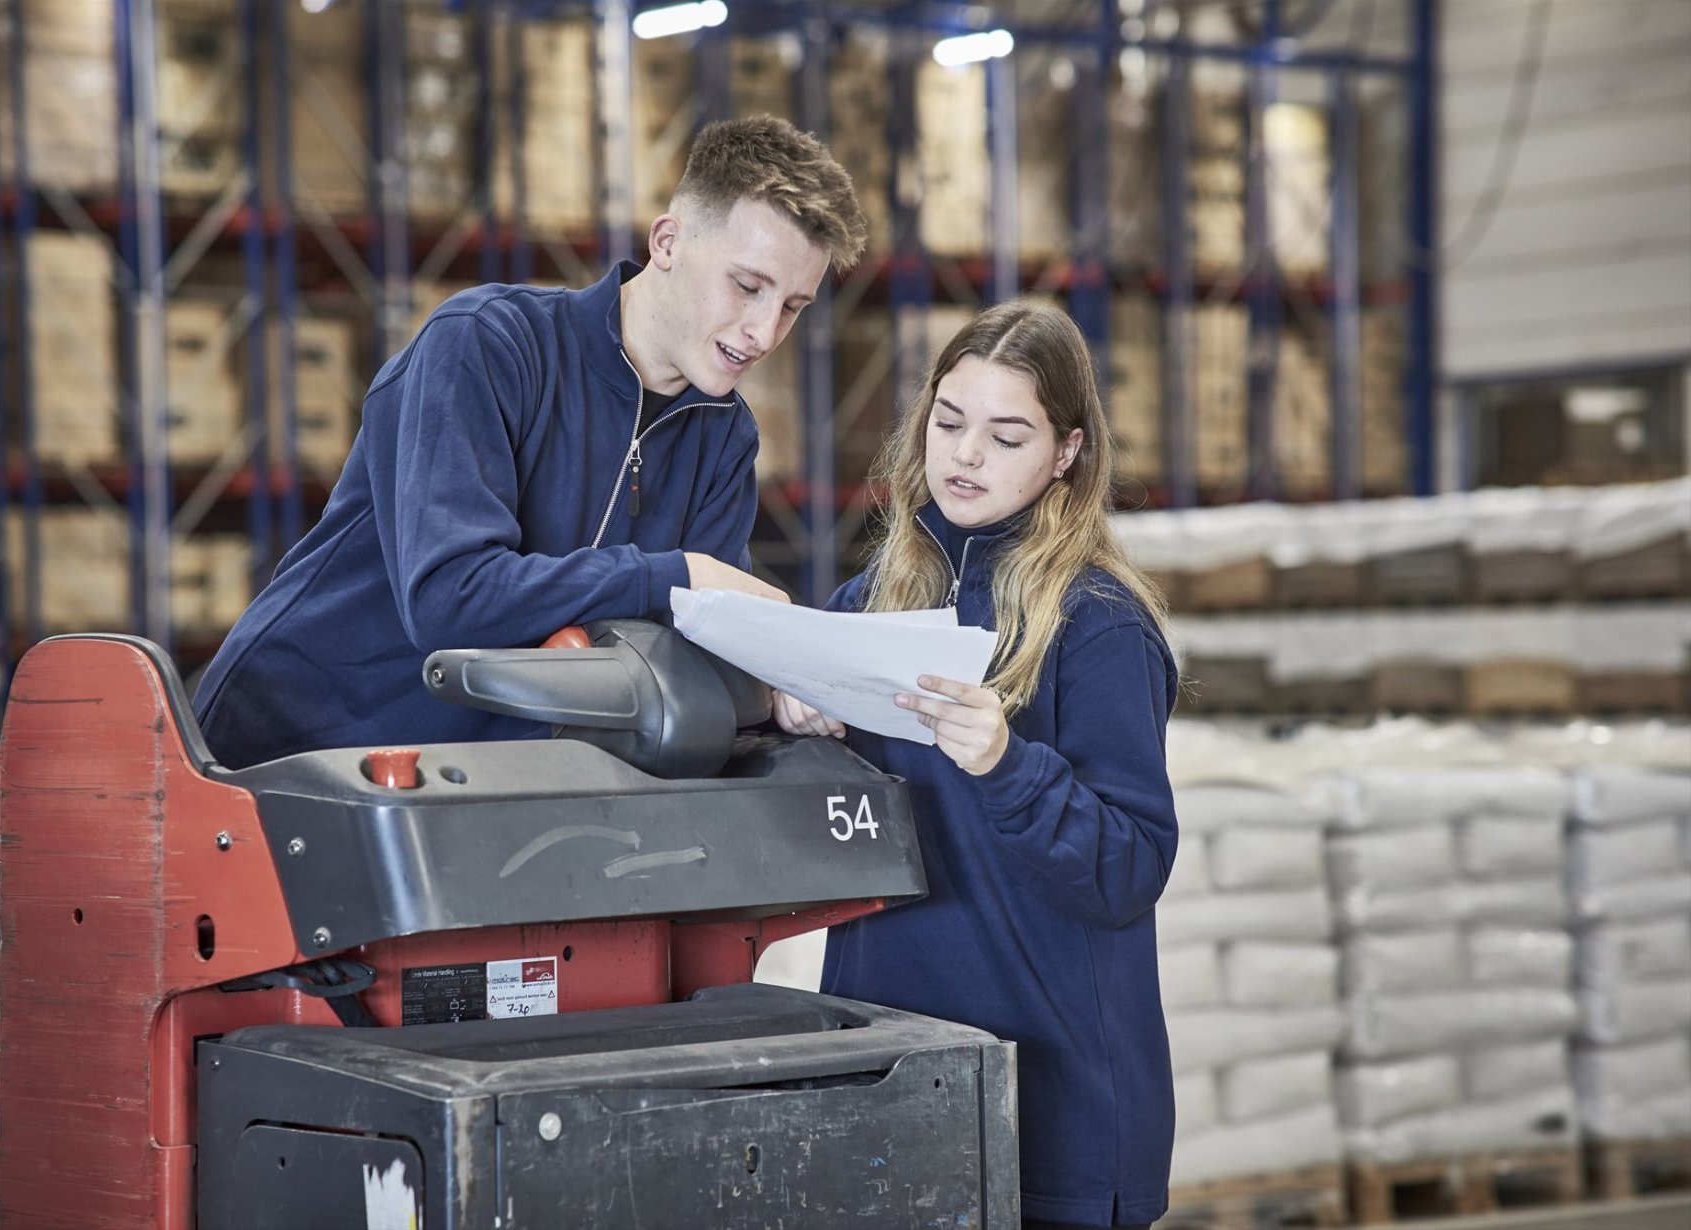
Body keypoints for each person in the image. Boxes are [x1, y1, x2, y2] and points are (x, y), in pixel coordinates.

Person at [194, 115, 867, 769]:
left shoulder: (722, 433)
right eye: (747, 286)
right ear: (668, 242)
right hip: (293, 756)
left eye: (791, 308)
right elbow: (449, 599)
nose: (762, 331)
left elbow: (699, 639)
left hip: (481, 779)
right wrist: (677, 574)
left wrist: (780, 673)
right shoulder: (486, 346)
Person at [773, 299, 1179, 1230]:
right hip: (898, 1074)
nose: (963, 457)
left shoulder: (1098, 626)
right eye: (949, 423)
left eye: (1006, 436)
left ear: (1066, 453)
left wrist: (1007, 763)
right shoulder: (876, 600)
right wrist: (794, 723)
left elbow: (1129, 869)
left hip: (1052, 1100)